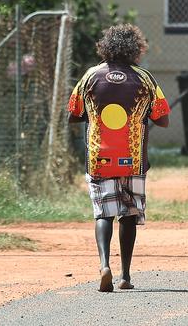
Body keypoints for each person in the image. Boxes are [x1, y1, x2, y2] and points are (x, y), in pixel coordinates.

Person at [67, 23, 170, 292]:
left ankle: (104, 266)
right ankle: (125, 275)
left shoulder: (90, 76)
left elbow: (73, 115)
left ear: (105, 47)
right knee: (128, 215)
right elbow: (164, 120)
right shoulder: (145, 78)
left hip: (99, 157)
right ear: (136, 50)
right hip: (133, 159)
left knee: (103, 213)